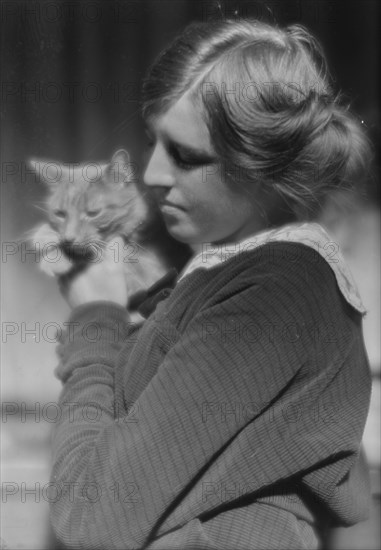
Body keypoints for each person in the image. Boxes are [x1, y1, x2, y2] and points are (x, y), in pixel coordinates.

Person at [50, 18, 373, 550]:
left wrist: (95, 318)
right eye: (153, 141)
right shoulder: (225, 274)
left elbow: (92, 516)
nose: (151, 174)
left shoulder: (275, 292)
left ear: (263, 166)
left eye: (187, 155)